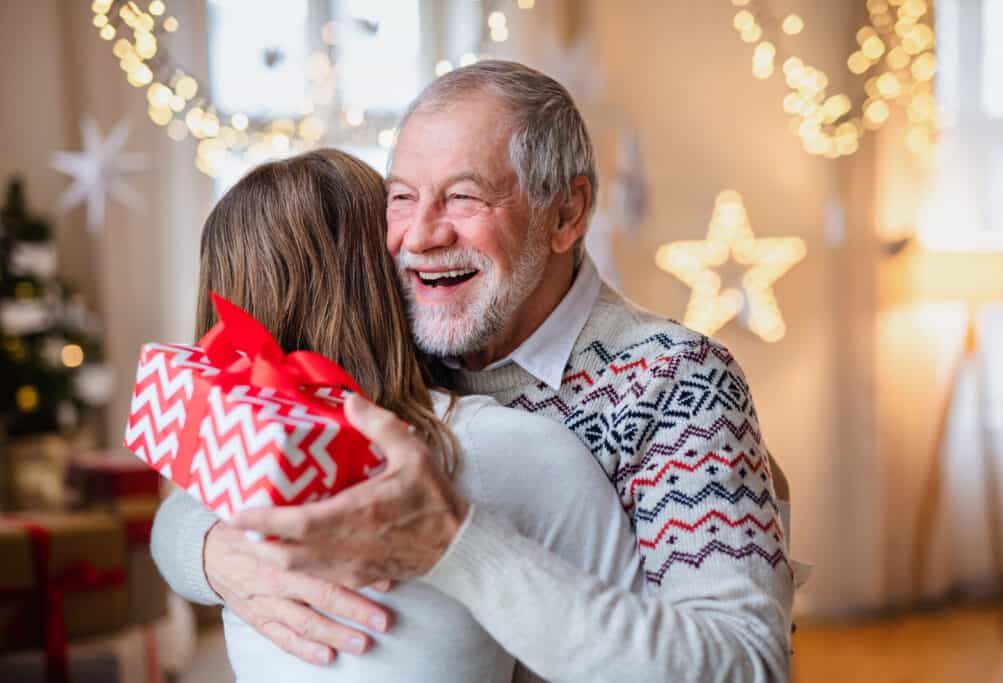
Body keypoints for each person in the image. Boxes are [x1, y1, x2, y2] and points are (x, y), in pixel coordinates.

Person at [153, 60, 794, 681]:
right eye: (402, 197)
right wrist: (211, 554)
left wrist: (457, 547)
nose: (422, 235)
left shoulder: (677, 380)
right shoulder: (399, 342)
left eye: (463, 196)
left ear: (567, 214)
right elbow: (191, 497)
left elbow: (746, 666)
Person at [167, 147, 643, 682]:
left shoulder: (225, 471)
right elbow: (643, 657)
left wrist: (199, 548)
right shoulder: (501, 449)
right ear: (387, 274)